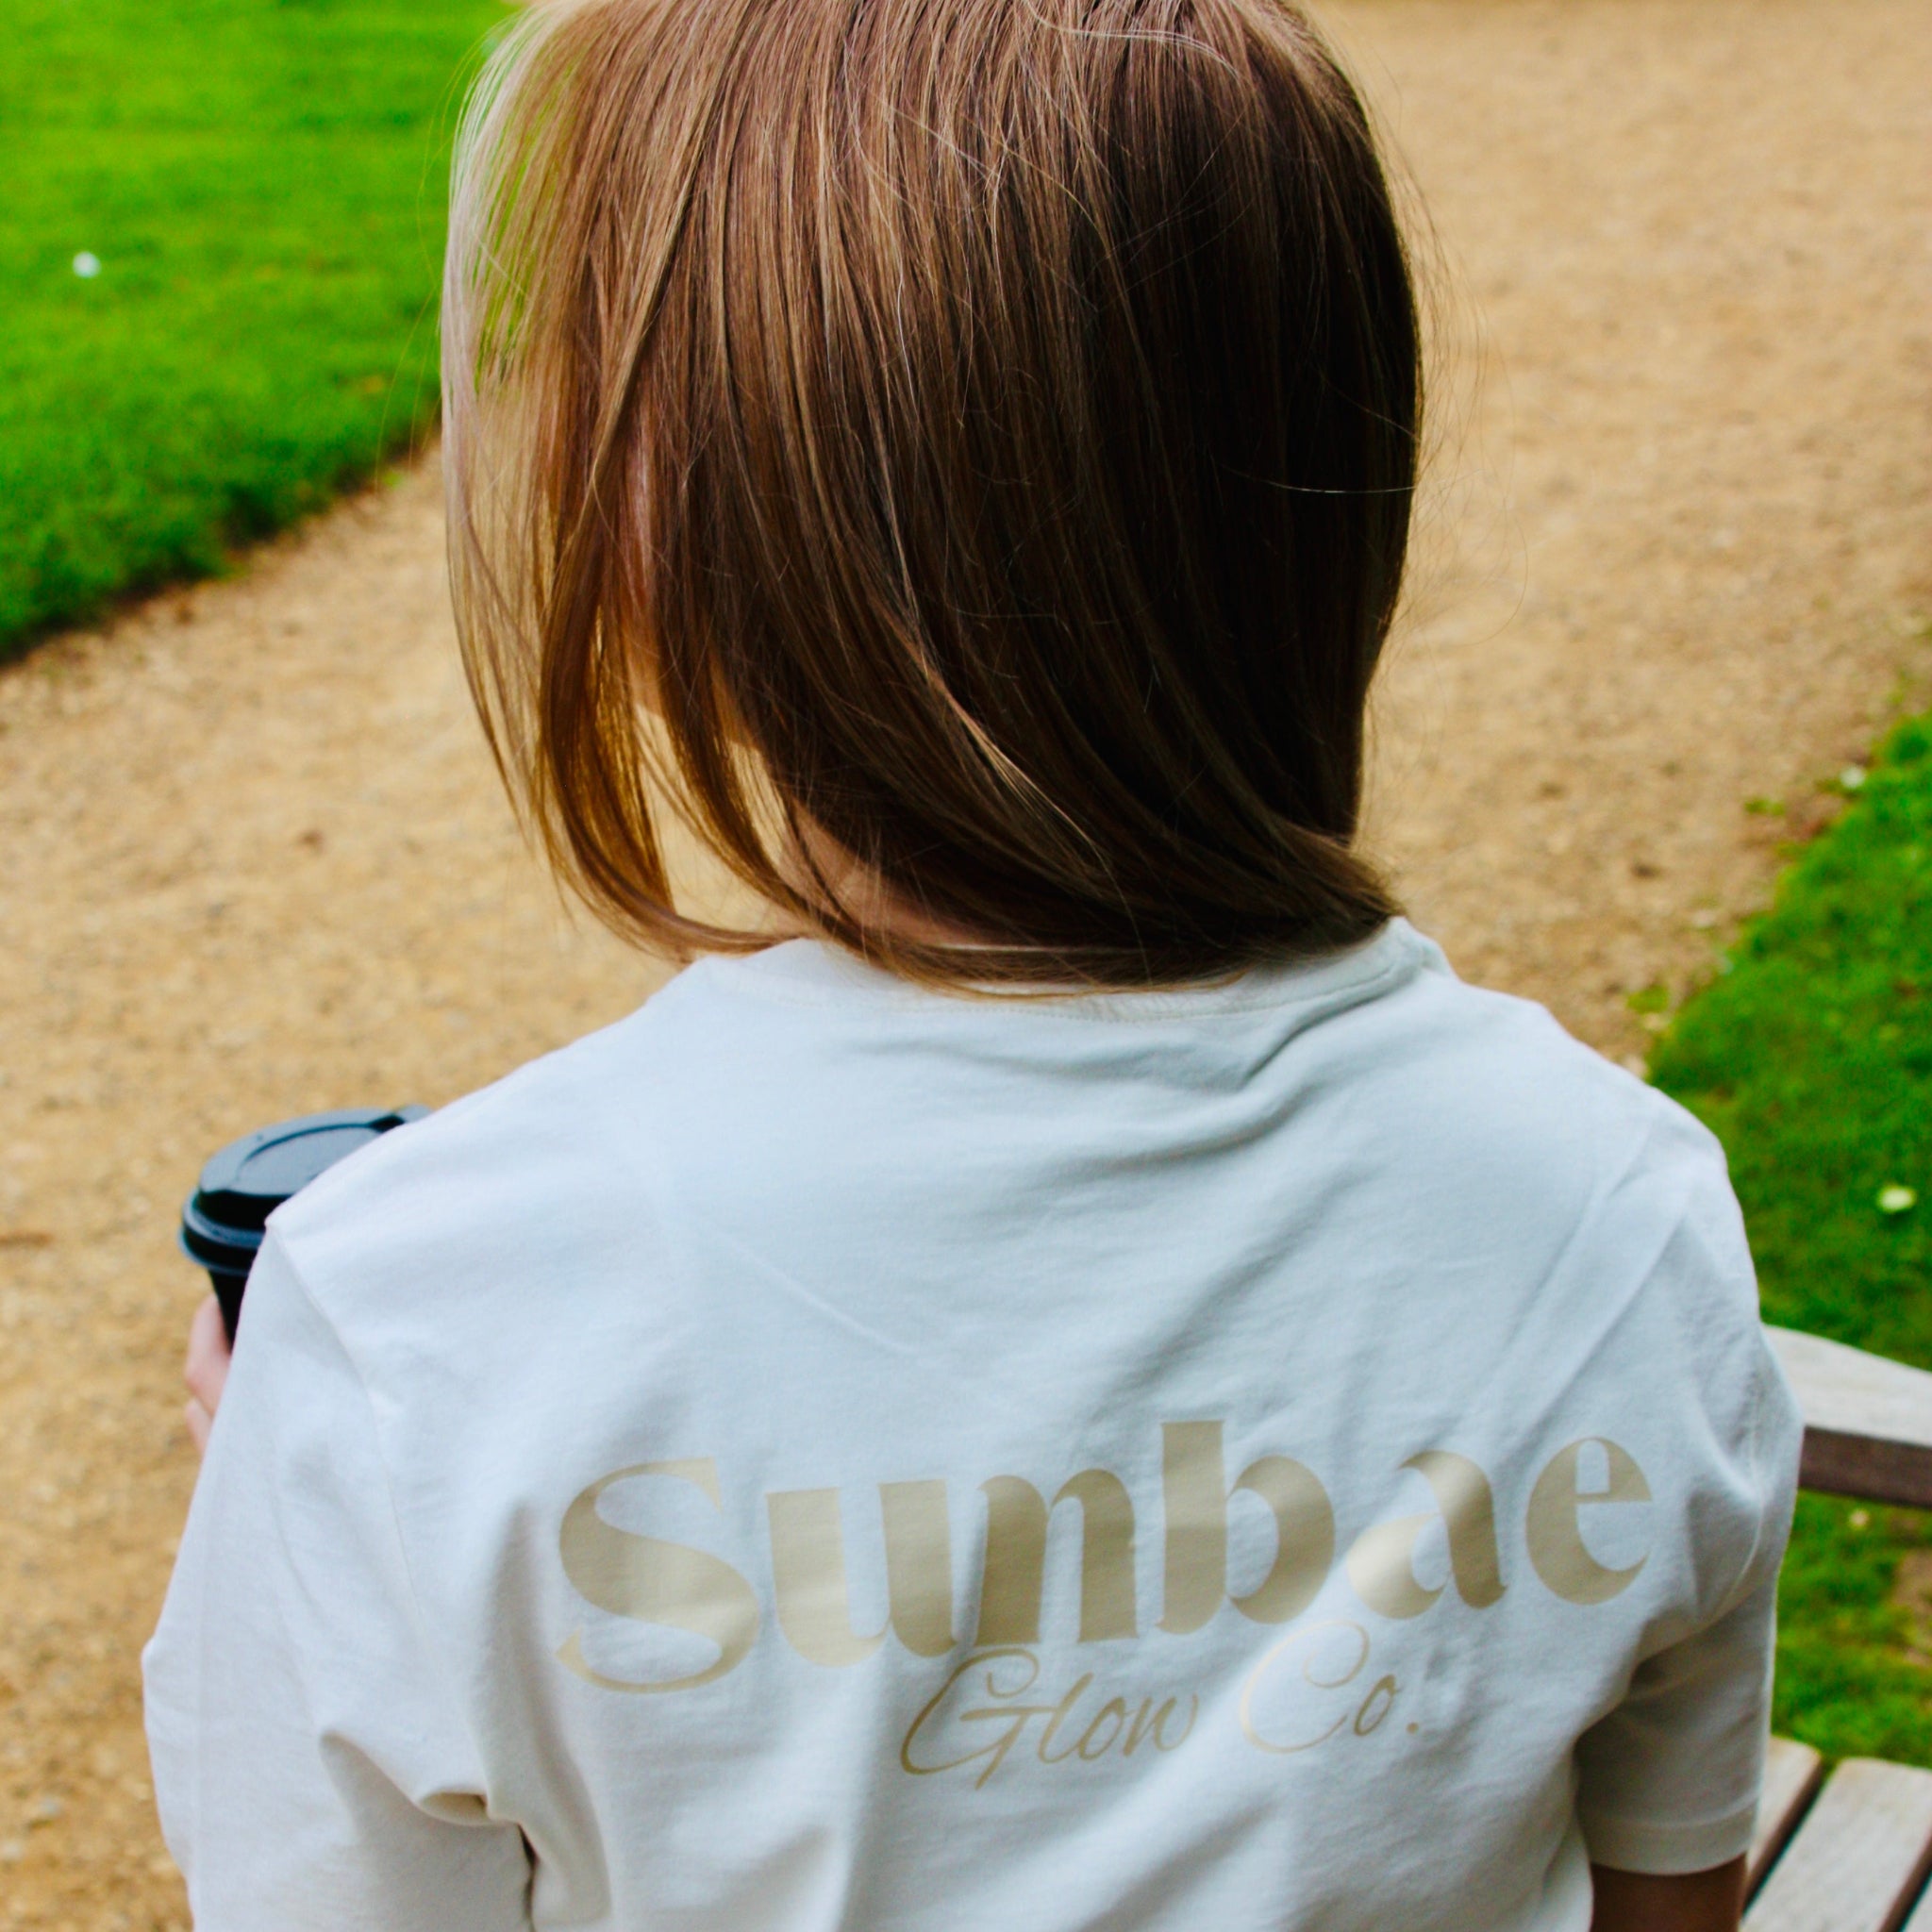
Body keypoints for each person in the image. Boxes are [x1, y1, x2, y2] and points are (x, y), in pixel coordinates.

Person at [144, 1, 1800, 1926]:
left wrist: (314, 1476)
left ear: (672, 526)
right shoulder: (1609, 1209)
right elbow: (1664, 1898)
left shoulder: (424, 1311)